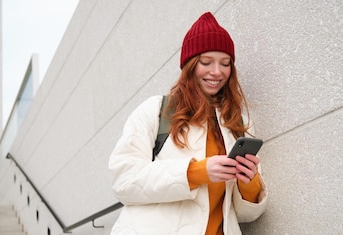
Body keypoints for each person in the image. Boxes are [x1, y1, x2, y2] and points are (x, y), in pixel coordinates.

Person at [108, 11, 268, 234]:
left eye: (225, 63)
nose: (216, 71)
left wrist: (249, 182)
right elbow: (123, 181)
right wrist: (196, 172)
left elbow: (245, 215)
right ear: (190, 65)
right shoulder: (156, 110)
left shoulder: (238, 123)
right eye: (206, 62)